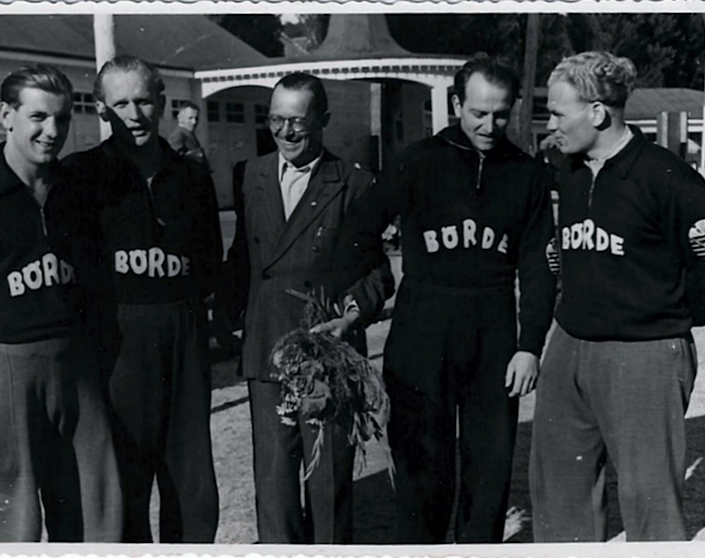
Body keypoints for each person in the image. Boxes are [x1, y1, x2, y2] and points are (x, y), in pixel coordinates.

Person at [321, 53, 556, 543]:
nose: (489, 125)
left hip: (492, 331)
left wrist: (529, 345)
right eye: (478, 113)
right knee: (421, 474)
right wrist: (348, 303)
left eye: (500, 114)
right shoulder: (418, 161)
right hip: (422, 329)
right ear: (455, 105)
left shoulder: (527, 173)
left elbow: (537, 267)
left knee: (489, 470)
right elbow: (359, 228)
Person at [529, 51, 705, 542]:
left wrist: (662, 320)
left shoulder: (666, 177)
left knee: (650, 503)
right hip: (570, 345)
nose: (551, 124)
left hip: (643, 352)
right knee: (560, 496)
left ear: (597, 112)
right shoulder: (568, 168)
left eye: (558, 112)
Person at [0, 64, 122, 542]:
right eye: (38, 117)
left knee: (93, 506)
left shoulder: (76, 189)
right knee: (10, 520)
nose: (52, 131)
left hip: (72, 364)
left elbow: (96, 283)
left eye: (61, 118)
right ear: (7, 115)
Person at [217, 72, 394, 544]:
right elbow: (243, 259)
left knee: (328, 483)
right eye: (276, 120)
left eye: (298, 121)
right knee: (273, 485)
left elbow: (377, 273)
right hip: (266, 348)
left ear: (323, 121)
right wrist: (222, 314)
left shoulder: (354, 183)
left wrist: (350, 316)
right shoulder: (250, 175)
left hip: (326, 354)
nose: (286, 132)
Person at [63, 55, 222, 543]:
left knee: (191, 480)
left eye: (144, 101)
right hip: (117, 340)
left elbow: (209, 263)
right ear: (101, 109)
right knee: (126, 479)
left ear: (162, 103)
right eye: (121, 104)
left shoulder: (191, 176)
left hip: (183, 333)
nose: (134, 115)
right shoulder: (81, 175)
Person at [167, 101, 209, 168]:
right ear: (180, 119)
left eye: (196, 118)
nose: (194, 122)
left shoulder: (189, 134)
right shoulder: (177, 136)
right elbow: (174, 164)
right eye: (190, 118)